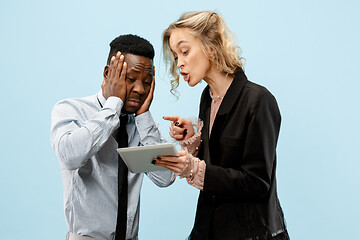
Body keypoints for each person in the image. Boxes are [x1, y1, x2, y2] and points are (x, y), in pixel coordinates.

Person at [153, 11, 290, 239]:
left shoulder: (259, 100)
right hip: (209, 229)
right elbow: (221, 161)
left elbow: (257, 183)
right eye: (176, 56)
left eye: (185, 52)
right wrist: (195, 138)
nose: (180, 63)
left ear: (211, 46)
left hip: (251, 232)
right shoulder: (207, 98)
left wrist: (193, 169)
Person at [50, 34, 174, 240]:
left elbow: (165, 178)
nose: (140, 89)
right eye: (131, 79)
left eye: (147, 81)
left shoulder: (143, 126)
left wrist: (143, 117)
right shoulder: (70, 109)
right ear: (109, 73)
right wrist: (113, 105)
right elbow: (70, 156)